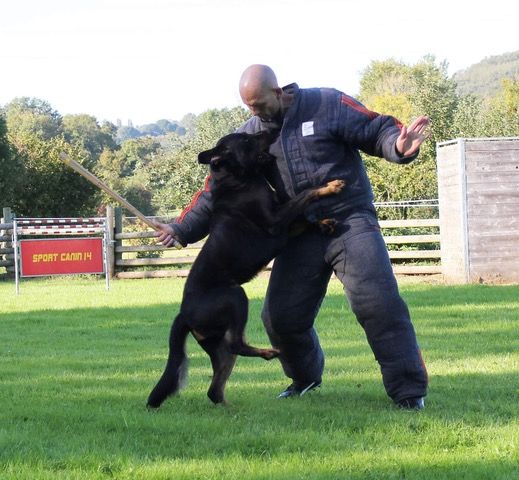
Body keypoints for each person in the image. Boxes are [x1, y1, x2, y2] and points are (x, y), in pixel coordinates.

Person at [154, 64, 430, 410]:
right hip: (300, 234)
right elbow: (214, 194)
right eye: (248, 107)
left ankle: (408, 391)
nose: (253, 113)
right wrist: (179, 229)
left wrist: (398, 145)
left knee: (378, 303)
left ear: (278, 91)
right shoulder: (250, 138)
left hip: (350, 221)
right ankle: (305, 377)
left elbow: (376, 130)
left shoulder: (326, 104)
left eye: (258, 104)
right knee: (281, 318)